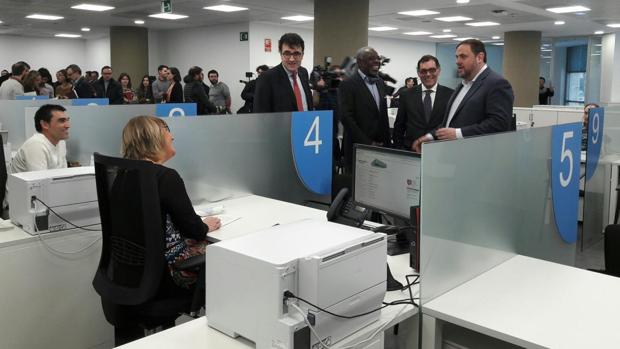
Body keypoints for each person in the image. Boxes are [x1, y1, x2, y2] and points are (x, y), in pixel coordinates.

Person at [118, 115, 221, 288]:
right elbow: (194, 230)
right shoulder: (165, 177)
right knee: (231, 251)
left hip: (134, 270)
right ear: (154, 138)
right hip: (169, 269)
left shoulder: (123, 174)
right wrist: (205, 225)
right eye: (167, 131)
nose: (172, 137)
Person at [413, 39, 514, 152]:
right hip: (456, 155)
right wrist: (430, 136)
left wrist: (458, 133)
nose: (457, 61)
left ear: (479, 57)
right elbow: (449, 123)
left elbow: (500, 124)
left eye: (463, 56)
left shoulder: (496, 83)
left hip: (478, 157)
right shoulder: (462, 85)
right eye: (457, 57)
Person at [339, 46, 391, 171]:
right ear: (360, 62)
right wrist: (368, 143)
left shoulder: (380, 83)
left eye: (378, 59)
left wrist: (387, 144)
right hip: (358, 147)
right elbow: (347, 118)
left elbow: (382, 116)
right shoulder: (348, 84)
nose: (376, 62)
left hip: (381, 147)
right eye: (371, 59)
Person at [393, 55, 454, 151]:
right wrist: (400, 150)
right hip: (411, 150)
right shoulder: (406, 94)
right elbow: (399, 126)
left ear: (439, 71)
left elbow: (451, 125)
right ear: (418, 73)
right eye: (423, 71)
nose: (428, 74)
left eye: (432, 70)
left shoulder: (451, 95)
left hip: (440, 151)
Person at [253, 33, 313, 113]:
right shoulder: (267, 78)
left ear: (302, 55)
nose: (292, 59)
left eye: (296, 54)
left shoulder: (303, 72)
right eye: (287, 53)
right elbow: (261, 114)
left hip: (307, 124)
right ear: (281, 54)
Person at [10, 104, 70, 173]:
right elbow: (40, 181)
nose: (68, 125)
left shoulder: (61, 142)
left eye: (67, 120)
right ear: (45, 124)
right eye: (61, 121)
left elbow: (64, 174)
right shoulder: (35, 145)